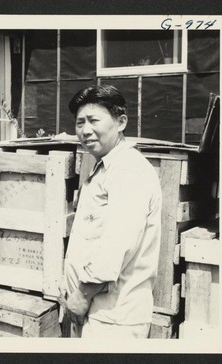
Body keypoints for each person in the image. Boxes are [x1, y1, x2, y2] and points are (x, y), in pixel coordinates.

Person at [59, 85, 162, 338]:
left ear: (121, 122)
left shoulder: (128, 170)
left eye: (94, 120)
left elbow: (117, 242)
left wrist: (82, 296)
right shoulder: (106, 167)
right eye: (80, 122)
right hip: (94, 310)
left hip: (114, 317)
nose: (85, 130)